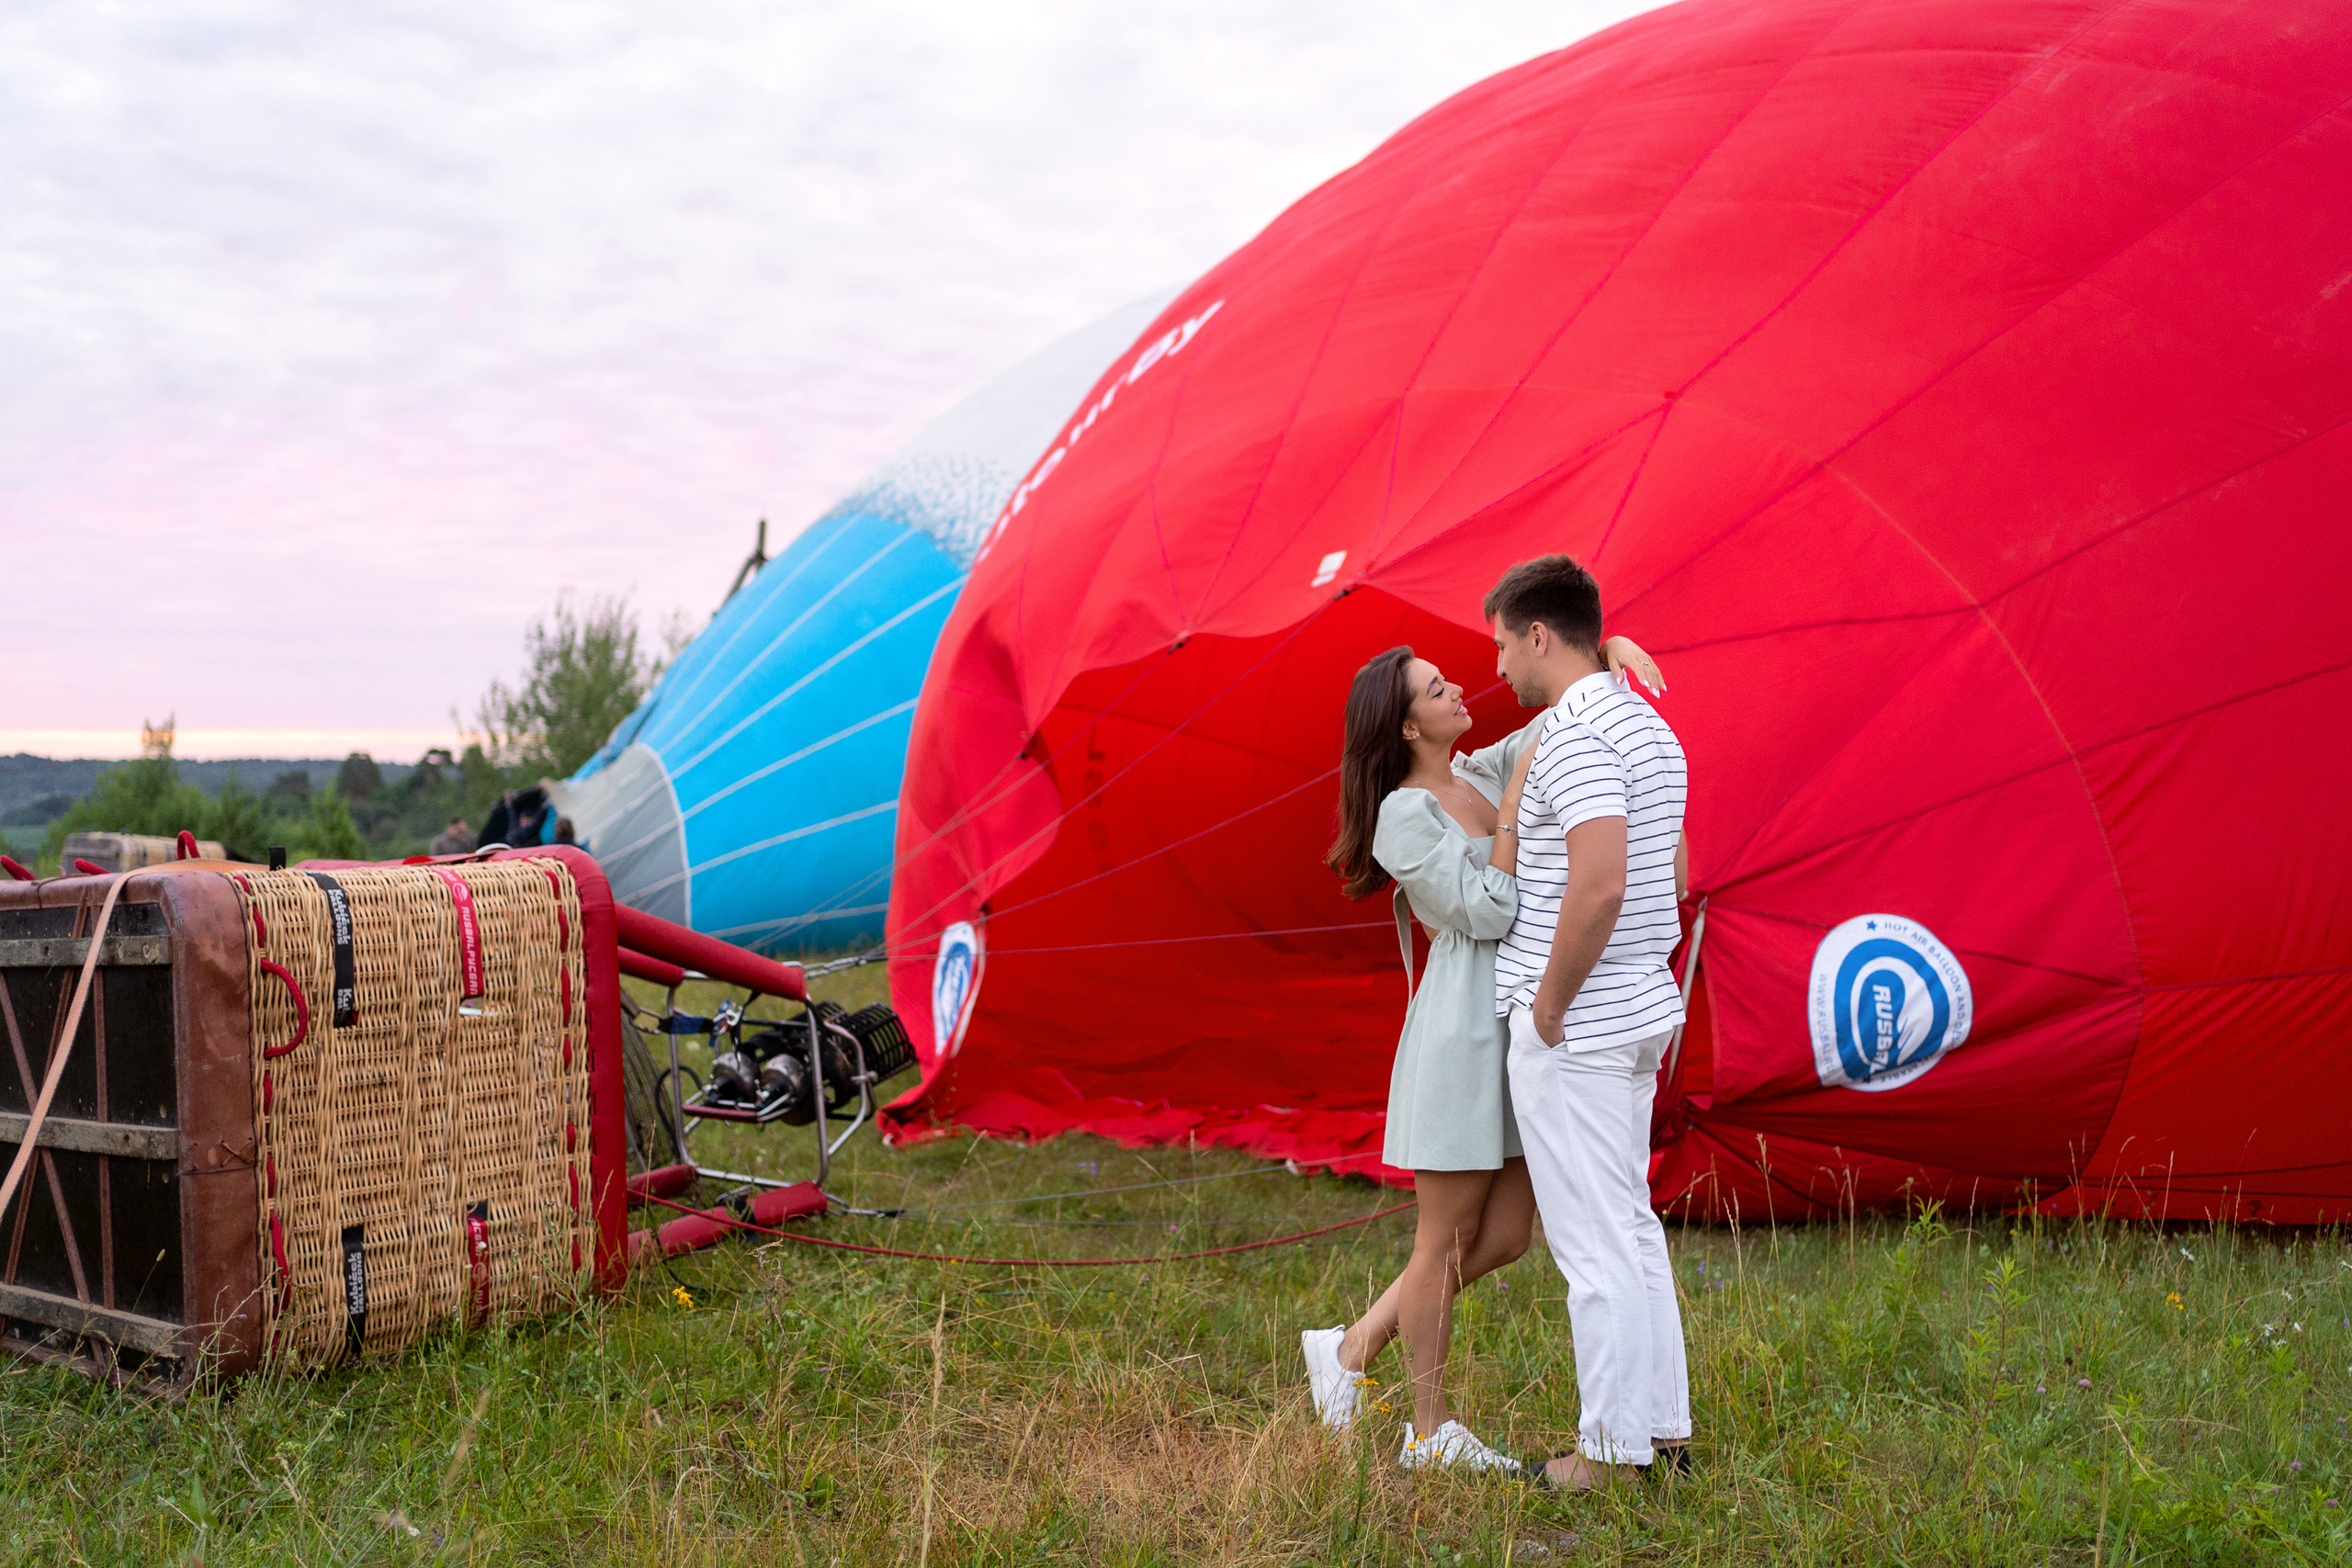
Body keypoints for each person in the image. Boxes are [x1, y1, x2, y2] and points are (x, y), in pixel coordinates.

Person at [1303, 632, 1665, 1472]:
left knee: (1503, 1237)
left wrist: (1604, 648)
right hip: (1462, 1039)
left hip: (1520, 1028)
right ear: (1406, 727)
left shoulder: (1477, 771)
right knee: (1442, 1241)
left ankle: (1350, 1347)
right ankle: (1430, 1430)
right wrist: (1509, 816)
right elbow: (1488, 908)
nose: (1459, 689)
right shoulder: (1403, 816)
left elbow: (1557, 716)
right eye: (1436, 689)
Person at [1487, 554, 1692, 1492]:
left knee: (1592, 1245)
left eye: (1502, 644)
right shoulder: (1647, 721)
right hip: (1639, 1005)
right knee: (1631, 1227)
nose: (1497, 667)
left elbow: (1600, 882)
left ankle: (1607, 1452)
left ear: (1538, 635)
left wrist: (1548, 1006)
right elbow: (1673, 869)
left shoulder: (1573, 736)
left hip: (1582, 1025)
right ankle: (1661, 1433)